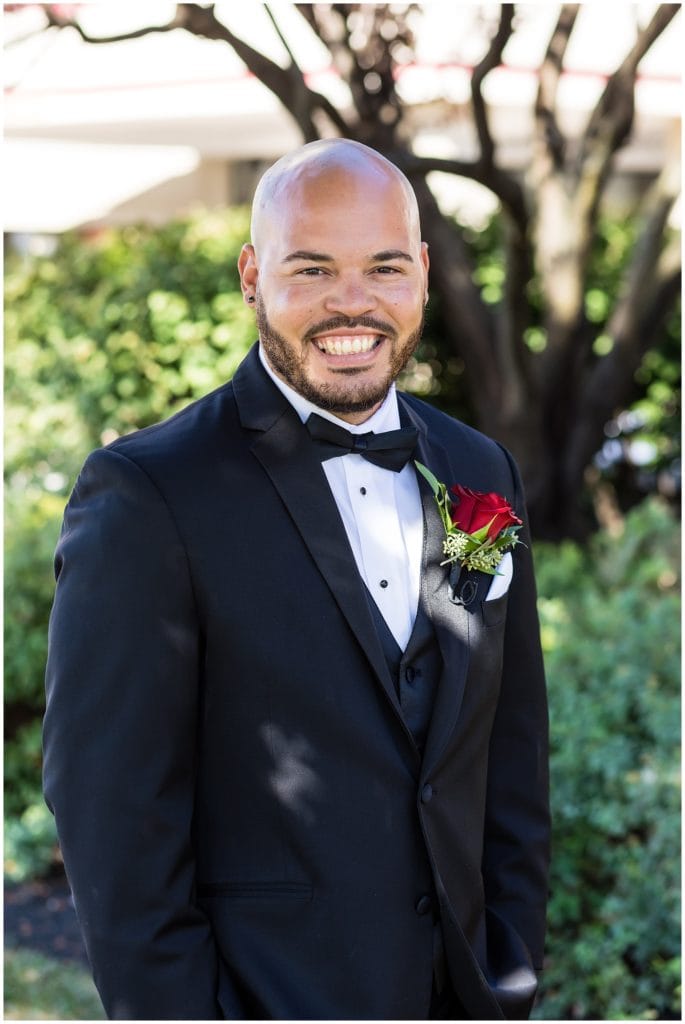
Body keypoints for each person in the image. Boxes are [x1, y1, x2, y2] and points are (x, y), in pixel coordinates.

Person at [43, 138, 550, 1021]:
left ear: (423, 273)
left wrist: (507, 972)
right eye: (311, 268)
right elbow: (113, 815)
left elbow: (509, 758)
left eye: (383, 267)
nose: (350, 304)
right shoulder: (149, 494)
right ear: (251, 275)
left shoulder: (480, 470)